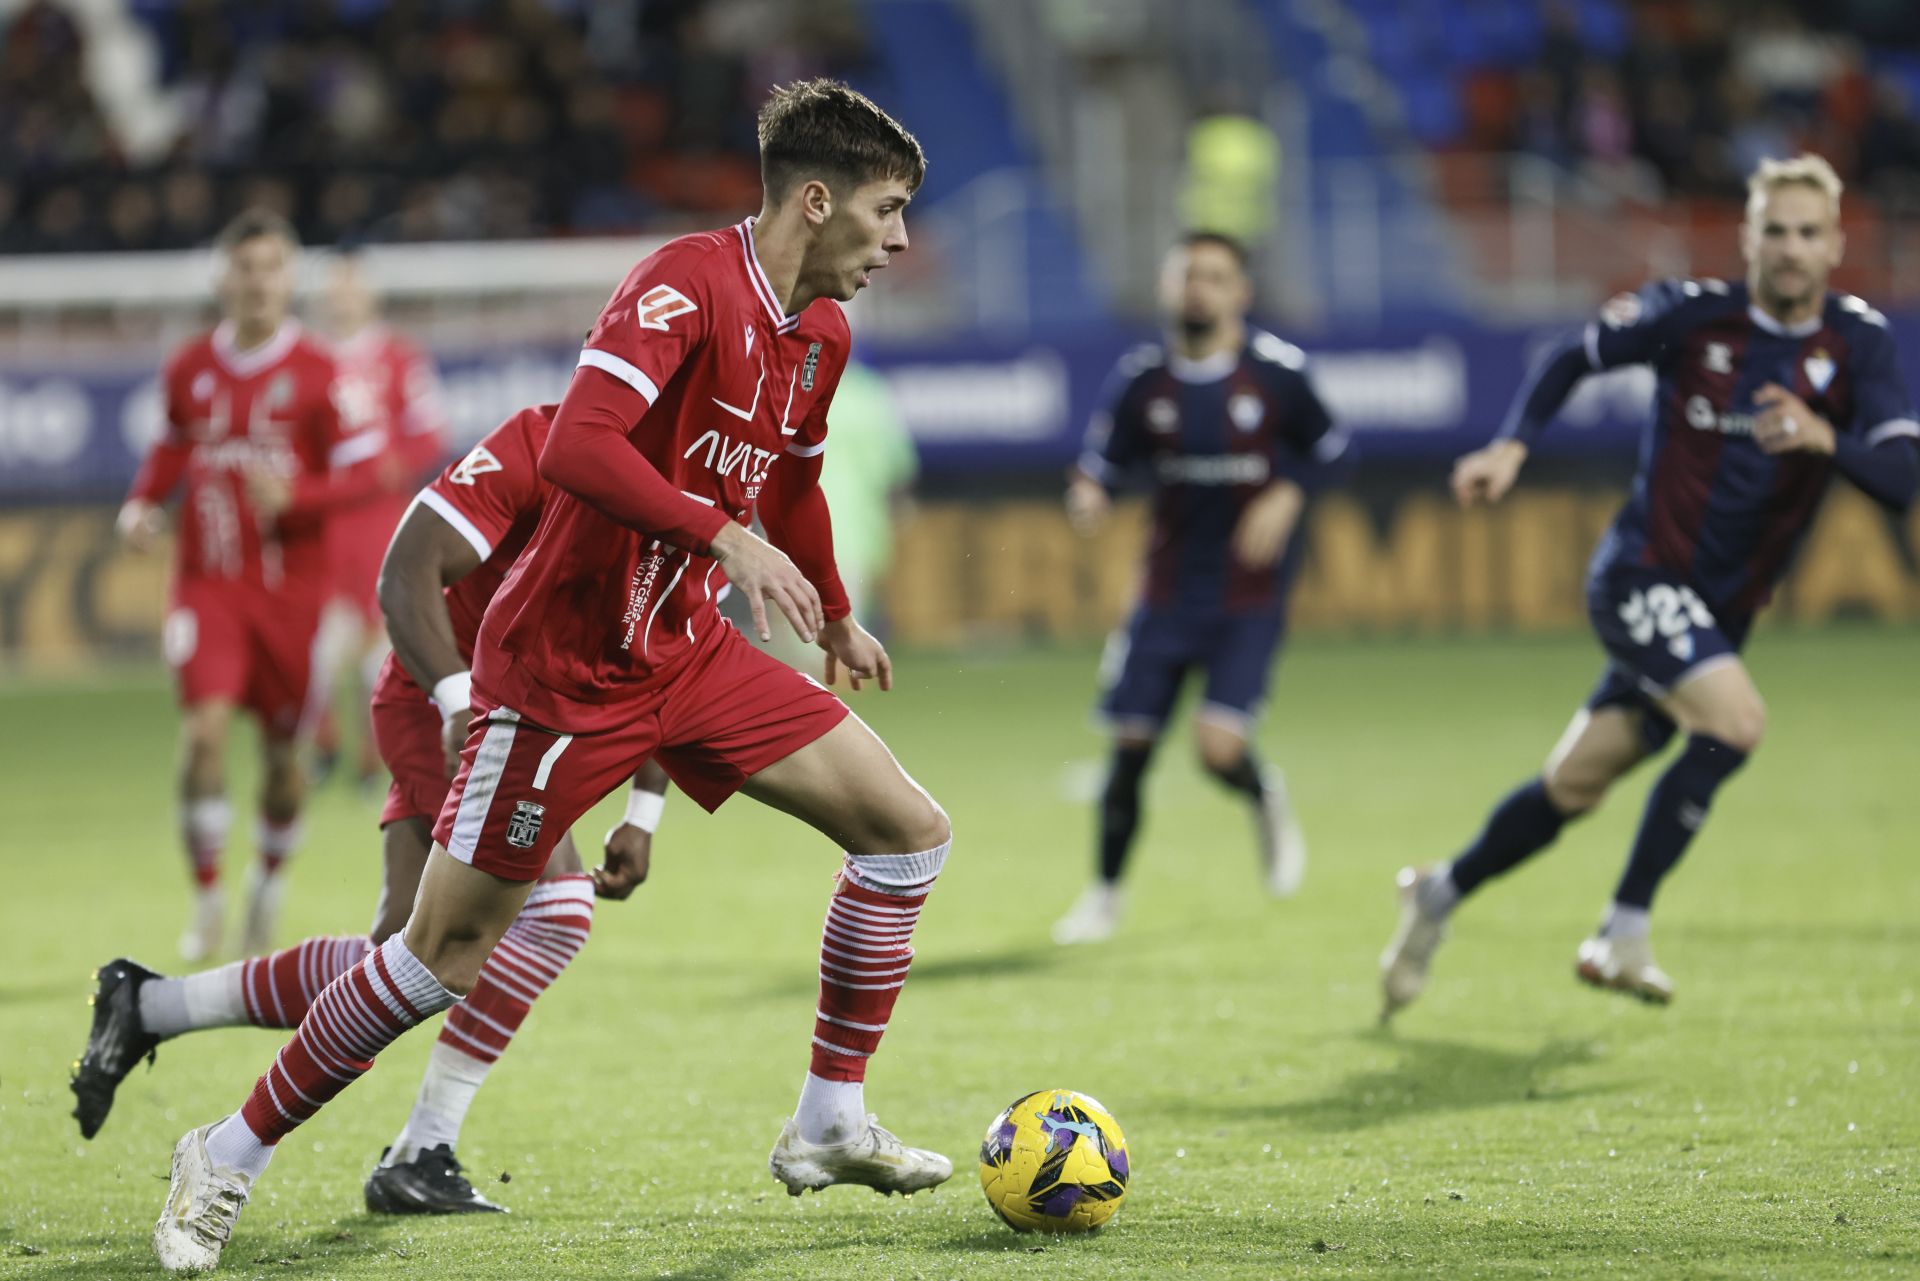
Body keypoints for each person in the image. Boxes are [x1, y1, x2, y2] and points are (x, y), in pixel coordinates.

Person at [153, 80, 952, 1274]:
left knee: (906, 833)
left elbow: (787, 483)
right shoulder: (684, 281)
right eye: (887, 213)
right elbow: (579, 444)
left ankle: (828, 1119)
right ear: (819, 199)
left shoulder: (821, 333)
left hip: (686, 651)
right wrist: (722, 537)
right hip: (561, 674)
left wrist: (833, 611)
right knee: (435, 959)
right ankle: (225, 1151)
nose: (898, 241)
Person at [74, 405, 671, 1214]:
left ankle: (148, 1004)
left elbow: (670, 656)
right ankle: (425, 1146)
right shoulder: (553, 443)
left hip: (513, 716)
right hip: (449, 700)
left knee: (394, 953)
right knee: (557, 909)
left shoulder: (700, 481)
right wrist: (455, 696)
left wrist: (644, 807)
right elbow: (412, 562)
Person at [1380, 154, 1920, 1019]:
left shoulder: (1858, 344)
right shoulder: (1691, 316)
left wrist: (1825, 436)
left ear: (1835, 245)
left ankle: (1438, 893)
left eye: (1807, 233)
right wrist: (1514, 445)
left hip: (1723, 611)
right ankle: (1623, 928)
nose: (1789, 249)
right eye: (1774, 230)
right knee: (1736, 722)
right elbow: (1572, 357)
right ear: (1746, 237)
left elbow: (1900, 476)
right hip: (1642, 575)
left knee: (1574, 785)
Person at [1051, 232, 1352, 946]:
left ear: (1240, 292)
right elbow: (1105, 462)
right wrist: (1091, 494)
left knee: (1217, 748)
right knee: (1129, 748)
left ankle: (1262, 794)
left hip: (1248, 598)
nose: (1199, 290)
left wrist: (1287, 493)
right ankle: (1104, 895)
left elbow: (1335, 449)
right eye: (1188, 276)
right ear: (1166, 286)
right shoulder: (1143, 380)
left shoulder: (1277, 375)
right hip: (1163, 593)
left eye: (1215, 278)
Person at [117, 209, 394, 963]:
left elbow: (373, 469)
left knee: (282, 760)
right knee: (202, 733)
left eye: (271, 267)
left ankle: (264, 890)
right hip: (208, 585)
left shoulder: (320, 372)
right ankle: (206, 899)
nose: (257, 282)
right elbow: (170, 448)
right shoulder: (188, 368)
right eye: (244, 268)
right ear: (223, 277)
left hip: (293, 602)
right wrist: (143, 503)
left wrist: (297, 497)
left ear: (289, 278)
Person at [310, 250, 450, 791]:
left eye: (351, 287)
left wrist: (398, 464)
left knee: (379, 643)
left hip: (380, 518)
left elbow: (429, 430)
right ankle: (322, 744)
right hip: (323, 520)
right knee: (319, 645)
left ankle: (374, 759)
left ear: (368, 295)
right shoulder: (309, 359)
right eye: (335, 287)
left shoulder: (398, 357)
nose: (342, 296)